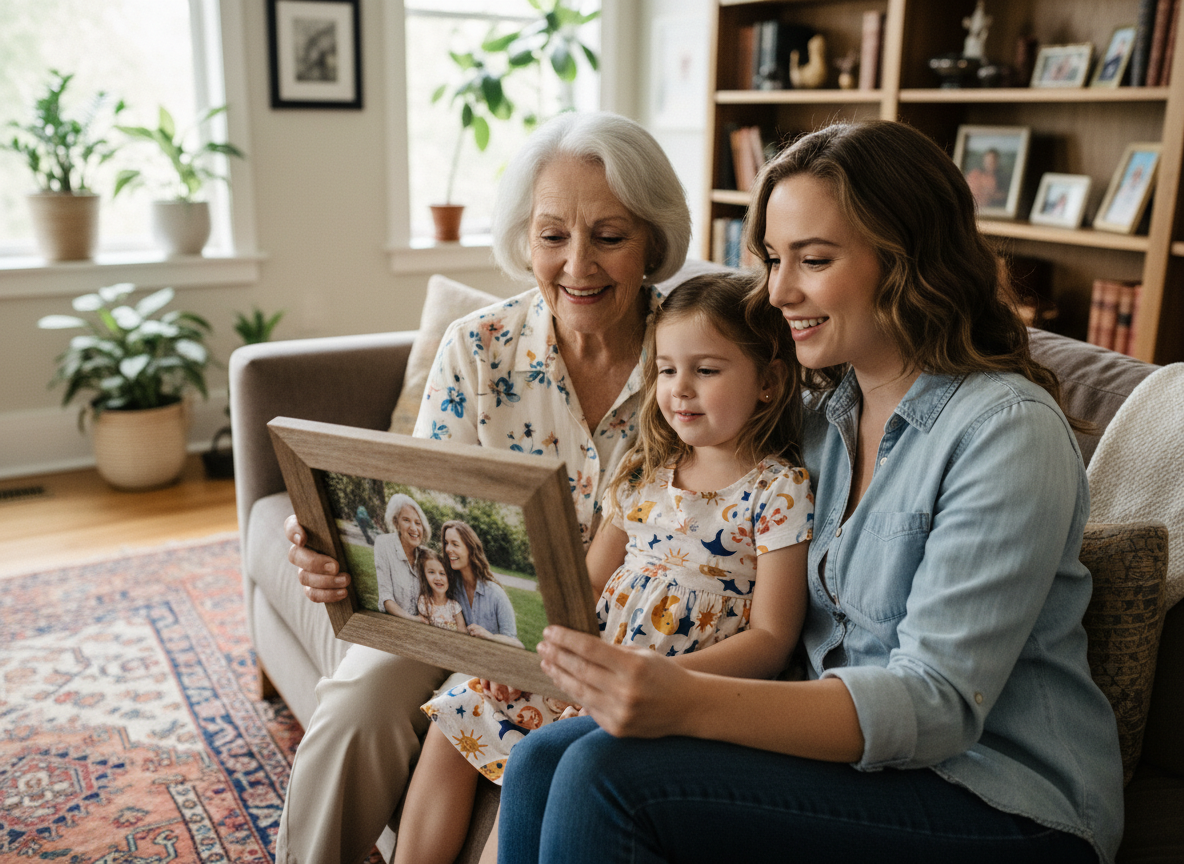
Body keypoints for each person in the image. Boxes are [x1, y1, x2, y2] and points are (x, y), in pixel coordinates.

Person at [498, 119, 1124, 864]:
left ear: (907, 260)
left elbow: (937, 706)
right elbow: (680, 488)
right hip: (854, 768)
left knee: (609, 776)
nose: (777, 291)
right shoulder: (818, 415)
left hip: (1001, 800)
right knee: (540, 759)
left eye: (814, 259)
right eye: (770, 259)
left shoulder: (1005, 432)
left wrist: (685, 697)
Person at [277, 110, 692, 863]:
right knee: (353, 709)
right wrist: (333, 543)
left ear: (653, 241)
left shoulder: (697, 357)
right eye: (552, 235)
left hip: (622, 628)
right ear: (524, 239)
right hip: (454, 612)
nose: (578, 266)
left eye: (609, 235)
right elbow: (425, 506)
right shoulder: (479, 347)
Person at [394, 273, 814, 864]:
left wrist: (672, 682)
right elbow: (584, 586)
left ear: (768, 382)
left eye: (707, 370)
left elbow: (773, 639)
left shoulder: (778, 489)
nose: (680, 390)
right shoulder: (643, 469)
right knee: (459, 711)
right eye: (666, 370)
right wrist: (519, 659)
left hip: (676, 687)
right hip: (591, 660)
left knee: (542, 758)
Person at [440, 519, 521, 646]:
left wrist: (489, 636)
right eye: (446, 543)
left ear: (470, 549)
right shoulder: (450, 589)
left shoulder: (495, 594)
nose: (448, 549)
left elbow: (517, 645)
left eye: (455, 544)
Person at [373, 493, 430, 621]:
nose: (414, 528)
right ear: (396, 522)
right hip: (393, 624)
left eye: (418, 523)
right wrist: (413, 620)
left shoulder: (426, 555)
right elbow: (385, 596)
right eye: (406, 520)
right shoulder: (383, 543)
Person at [415, 547, 466, 632]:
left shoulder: (454, 606)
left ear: (449, 577)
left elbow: (463, 632)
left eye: (442, 573)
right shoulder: (424, 602)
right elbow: (421, 629)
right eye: (431, 572)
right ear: (425, 576)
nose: (438, 578)